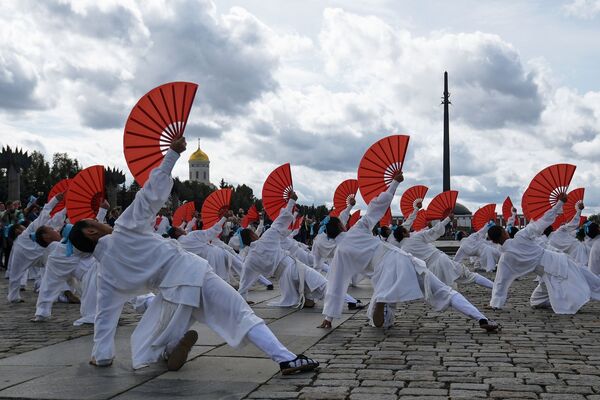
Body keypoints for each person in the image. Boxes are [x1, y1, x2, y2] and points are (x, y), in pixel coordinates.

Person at [68, 138, 318, 375]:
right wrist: (172, 154)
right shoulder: (124, 229)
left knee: (166, 327)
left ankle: (169, 348)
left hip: (170, 295)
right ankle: (286, 358)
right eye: (94, 221)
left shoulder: (106, 275)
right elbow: (149, 195)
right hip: (191, 273)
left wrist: (101, 355)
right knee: (240, 313)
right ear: (91, 231)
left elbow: (105, 316)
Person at [319, 172, 498, 331]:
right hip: (400, 259)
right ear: (342, 226)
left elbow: (336, 284)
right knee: (443, 290)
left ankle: (382, 299)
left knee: (381, 322)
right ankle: (480, 318)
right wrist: (394, 183)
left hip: (381, 273)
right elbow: (376, 208)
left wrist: (329, 317)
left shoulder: (340, 253)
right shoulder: (357, 229)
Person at [487, 195, 600, 313]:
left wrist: (495, 303)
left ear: (494, 241)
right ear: (504, 233)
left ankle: (568, 295)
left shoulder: (505, 259)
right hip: (551, 268)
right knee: (586, 278)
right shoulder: (520, 237)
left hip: (555, 264)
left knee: (582, 281)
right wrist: (560, 203)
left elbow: (500, 282)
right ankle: (566, 295)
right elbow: (544, 220)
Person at [30, 202, 109, 323]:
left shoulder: (68, 244)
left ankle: (94, 311)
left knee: (99, 279)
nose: (54, 229)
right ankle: (43, 311)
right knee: (50, 284)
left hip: (84, 261)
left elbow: (94, 226)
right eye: (51, 229)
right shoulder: (55, 251)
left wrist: (102, 210)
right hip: (68, 258)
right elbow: (48, 284)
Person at [395, 215, 494, 290]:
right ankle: (494, 287)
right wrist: (447, 219)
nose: (409, 231)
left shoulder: (403, 251)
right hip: (441, 260)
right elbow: (433, 231)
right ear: (404, 233)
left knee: (445, 292)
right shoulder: (415, 237)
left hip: (432, 271)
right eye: (407, 230)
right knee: (469, 276)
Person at [6, 194, 65, 303]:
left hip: (36, 254)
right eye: (21, 227)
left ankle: (13, 296)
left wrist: (64, 209)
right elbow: (46, 215)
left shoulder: (25, 235)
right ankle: (57, 293)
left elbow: (51, 220)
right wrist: (56, 201)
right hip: (40, 255)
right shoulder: (31, 229)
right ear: (17, 230)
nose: (24, 226)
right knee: (56, 268)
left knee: (16, 274)